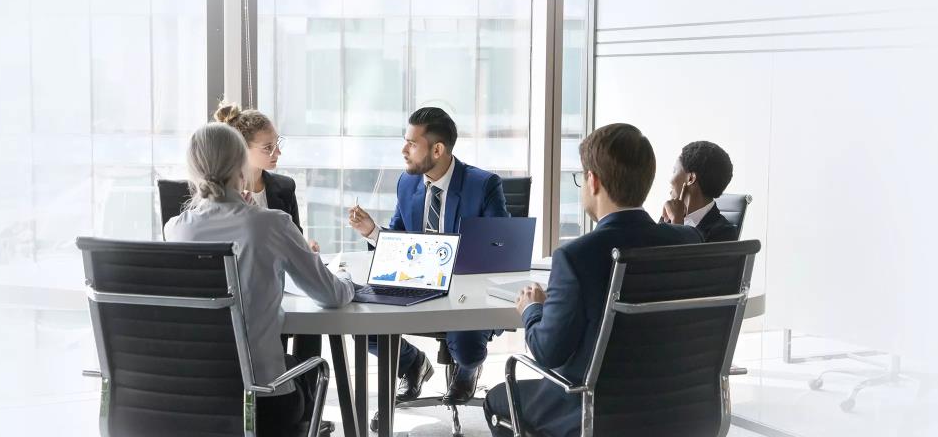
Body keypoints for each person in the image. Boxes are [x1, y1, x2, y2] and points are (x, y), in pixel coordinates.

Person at [485, 123, 704, 437]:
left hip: (593, 412)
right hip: (679, 410)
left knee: (498, 399)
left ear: (593, 180)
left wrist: (532, 309)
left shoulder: (576, 257)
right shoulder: (688, 241)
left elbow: (548, 352)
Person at [164, 123, 358, 436]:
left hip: (195, 401)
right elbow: (332, 295)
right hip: (263, 401)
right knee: (305, 368)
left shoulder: (176, 229)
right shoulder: (271, 224)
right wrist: (346, 278)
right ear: (242, 165)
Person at [340, 107, 509, 404]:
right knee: (363, 325)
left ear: (438, 149)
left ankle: (468, 370)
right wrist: (371, 231)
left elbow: (501, 246)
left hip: (465, 291)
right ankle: (413, 363)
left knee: (466, 346)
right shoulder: (407, 184)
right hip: (417, 282)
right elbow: (400, 242)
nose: (403, 150)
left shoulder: (482, 185)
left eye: (412, 144)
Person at [213, 102, 310, 247]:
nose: (278, 152)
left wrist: (306, 248)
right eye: (268, 147)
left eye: (277, 143)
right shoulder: (216, 192)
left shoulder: (286, 187)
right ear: (242, 149)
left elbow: (296, 242)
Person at [659, 141, 741, 242]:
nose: (670, 180)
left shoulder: (724, 233)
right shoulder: (670, 214)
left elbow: (675, 257)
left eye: (674, 171)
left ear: (691, 179)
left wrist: (677, 223)